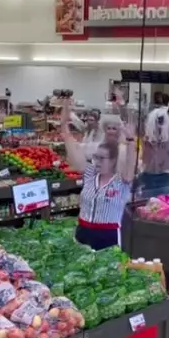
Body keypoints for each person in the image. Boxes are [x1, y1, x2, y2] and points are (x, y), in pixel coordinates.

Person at [60, 98, 138, 250]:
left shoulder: (121, 182)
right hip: (82, 234)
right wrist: (64, 127)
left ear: (113, 160)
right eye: (96, 157)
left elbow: (130, 162)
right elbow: (74, 152)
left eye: (102, 158)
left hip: (107, 237)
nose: (98, 161)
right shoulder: (90, 174)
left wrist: (130, 140)